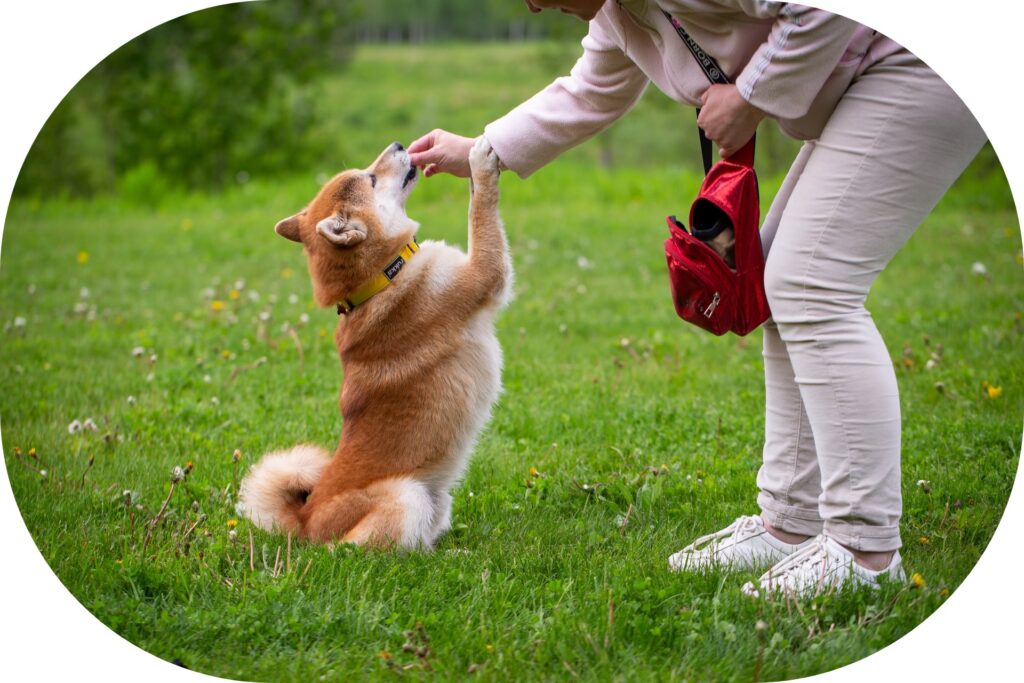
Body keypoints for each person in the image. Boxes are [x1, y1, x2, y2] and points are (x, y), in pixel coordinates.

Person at [407, 0, 985, 597]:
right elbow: (590, 91)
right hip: (868, 79)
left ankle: (864, 550)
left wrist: (751, 96)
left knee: (811, 286)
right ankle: (789, 522)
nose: (544, 6)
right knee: (776, 285)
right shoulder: (616, 14)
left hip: (914, 65)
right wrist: (482, 150)